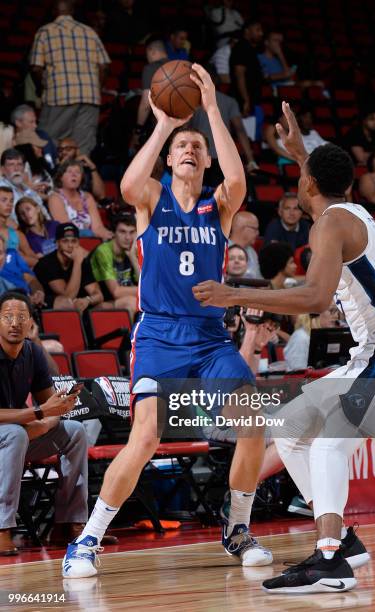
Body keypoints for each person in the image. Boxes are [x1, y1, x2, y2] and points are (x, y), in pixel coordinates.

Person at [62, 63, 273, 578]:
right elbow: (130, 181)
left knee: (253, 424)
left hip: (208, 338)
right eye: (183, 146)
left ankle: (237, 526)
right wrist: (163, 125)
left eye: (196, 147)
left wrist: (210, 113)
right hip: (158, 334)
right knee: (147, 435)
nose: (190, 150)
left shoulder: (218, 204)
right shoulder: (152, 199)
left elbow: (239, 178)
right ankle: (87, 541)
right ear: (169, 157)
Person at [192, 100, 375, 593]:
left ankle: (330, 560)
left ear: (307, 184)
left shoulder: (330, 223)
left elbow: (313, 297)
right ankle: (345, 541)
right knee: (290, 427)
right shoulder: (353, 213)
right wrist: (297, 152)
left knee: (331, 437)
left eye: (301, 172)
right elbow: (318, 184)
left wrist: (235, 291)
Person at [0, 291, 86, 555]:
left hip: (18, 435)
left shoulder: (33, 352)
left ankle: (68, 523)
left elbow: (51, 406)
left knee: (75, 431)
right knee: (16, 434)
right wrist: (37, 415)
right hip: (12, 435)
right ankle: (2, 528)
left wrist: (46, 421)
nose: (15, 322)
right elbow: (40, 410)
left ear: (30, 324)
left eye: (21, 317)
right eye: (7, 317)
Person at [29, 0, 111, 156]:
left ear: (54, 11)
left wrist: (42, 87)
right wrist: (96, 89)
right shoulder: (89, 31)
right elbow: (104, 66)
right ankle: (79, 176)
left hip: (59, 95)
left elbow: (36, 68)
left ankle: (52, 177)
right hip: (90, 97)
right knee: (82, 147)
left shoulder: (45, 31)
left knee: (47, 141)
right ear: (72, 11)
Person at [189, 80, 259, 185]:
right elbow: (240, 130)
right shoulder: (229, 101)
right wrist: (250, 160)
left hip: (198, 155)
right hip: (220, 157)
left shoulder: (191, 100)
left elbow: (184, 129)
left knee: (196, 197)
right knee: (219, 198)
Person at [34, 222, 103, 311]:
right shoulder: (47, 263)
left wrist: (88, 300)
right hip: (47, 308)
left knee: (103, 306)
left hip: (75, 307)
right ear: (57, 243)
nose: (70, 245)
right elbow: (68, 297)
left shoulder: (83, 262)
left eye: (74, 241)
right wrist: (77, 262)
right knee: (69, 304)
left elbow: (98, 295)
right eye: (65, 241)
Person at [48, 160, 112, 240]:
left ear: (81, 178)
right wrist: (90, 233)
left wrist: (110, 236)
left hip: (91, 240)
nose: (74, 175)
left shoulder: (87, 197)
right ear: (61, 177)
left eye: (78, 172)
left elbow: (98, 227)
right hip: (69, 243)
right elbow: (68, 229)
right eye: (69, 171)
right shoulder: (55, 197)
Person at [90, 214, 139, 319]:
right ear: (113, 233)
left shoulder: (133, 251)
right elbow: (116, 292)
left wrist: (133, 259)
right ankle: (129, 336)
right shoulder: (103, 252)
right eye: (122, 232)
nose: (127, 238)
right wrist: (145, 290)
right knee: (132, 302)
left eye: (132, 232)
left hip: (125, 299)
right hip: (101, 304)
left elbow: (143, 282)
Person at [284, 306, 340, 371]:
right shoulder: (301, 337)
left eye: (337, 311)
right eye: (331, 311)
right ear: (314, 313)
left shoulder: (326, 336)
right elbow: (298, 373)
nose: (336, 316)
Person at [0, 148, 49, 222]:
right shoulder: (2, 189)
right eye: (11, 165)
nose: (16, 169)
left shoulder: (25, 188)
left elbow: (43, 211)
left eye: (19, 164)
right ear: (2, 170)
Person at [135, 39, 169, 139]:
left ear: (151, 51)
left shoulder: (150, 68)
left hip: (159, 127)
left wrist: (138, 130)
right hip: (181, 126)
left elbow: (146, 103)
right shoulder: (180, 66)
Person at [229, 20, 264, 117]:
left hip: (253, 99)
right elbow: (239, 75)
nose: (261, 33)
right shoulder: (241, 48)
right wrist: (245, 100)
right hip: (241, 101)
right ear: (247, 31)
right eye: (257, 30)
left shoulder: (250, 48)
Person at [0, 187, 39, 267]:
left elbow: (36, 260)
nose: (9, 204)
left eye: (11, 201)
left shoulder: (17, 234)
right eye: (4, 200)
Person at [229, 211, 262, 279]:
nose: (258, 233)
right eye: (255, 229)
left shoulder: (252, 252)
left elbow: (259, 279)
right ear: (243, 229)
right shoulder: (220, 249)